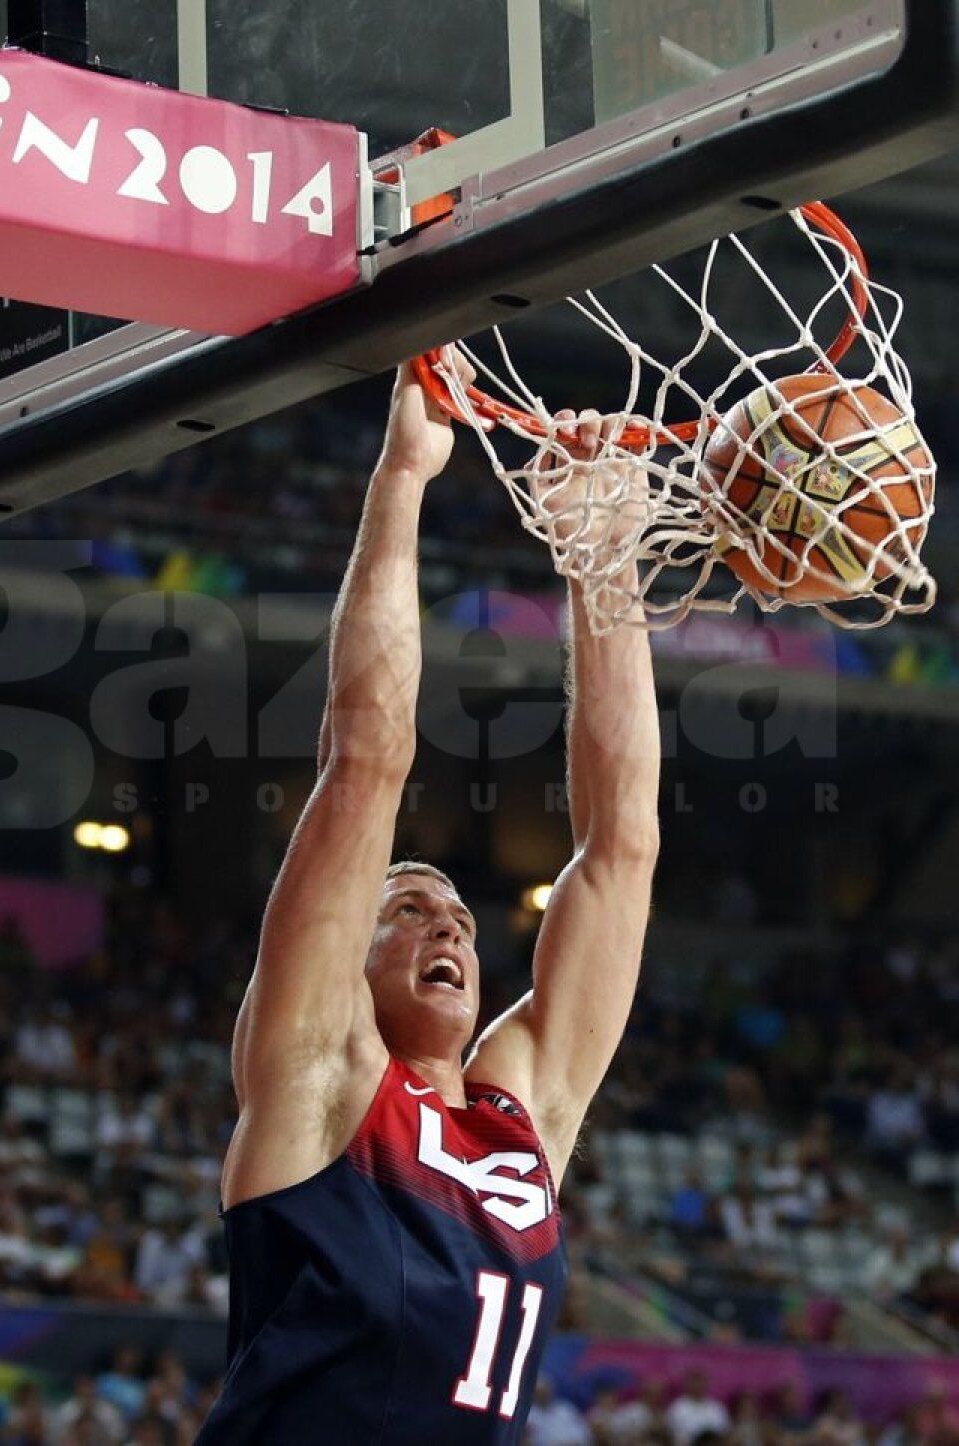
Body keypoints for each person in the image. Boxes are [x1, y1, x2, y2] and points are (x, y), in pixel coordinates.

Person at [195, 360, 660, 1443]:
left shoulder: (520, 1121)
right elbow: (365, 758)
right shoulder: (321, 1078)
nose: (446, 921)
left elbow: (621, 846)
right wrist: (405, 474)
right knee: (366, 780)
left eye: (452, 913)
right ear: (337, 967)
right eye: (403, 907)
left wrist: (602, 556)